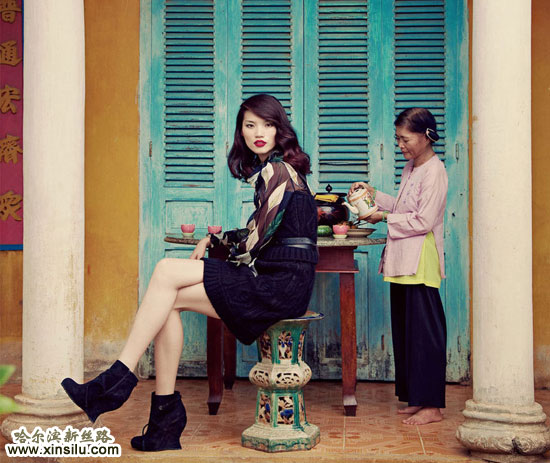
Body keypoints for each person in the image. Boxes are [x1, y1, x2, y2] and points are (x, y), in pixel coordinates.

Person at [61, 94, 318, 451]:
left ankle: (116, 381)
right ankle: (163, 420)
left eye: (268, 124)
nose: (259, 132)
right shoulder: (277, 171)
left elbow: (254, 242)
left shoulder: (278, 171)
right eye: (250, 125)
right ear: (241, 132)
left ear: (280, 130)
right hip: (278, 281)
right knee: (167, 303)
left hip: (279, 285)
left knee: (167, 270)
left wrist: (213, 255)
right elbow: (260, 231)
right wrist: (213, 240)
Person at [349, 107, 448, 425]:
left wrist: (381, 216)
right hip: (403, 256)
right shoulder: (411, 168)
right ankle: (417, 398)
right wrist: (373, 194)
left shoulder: (435, 171)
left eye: (405, 139)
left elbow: (423, 220)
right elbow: (404, 206)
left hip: (421, 257)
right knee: (408, 332)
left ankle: (433, 406)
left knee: (426, 333)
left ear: (426, 136)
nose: (400, 145)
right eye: (398, 139)